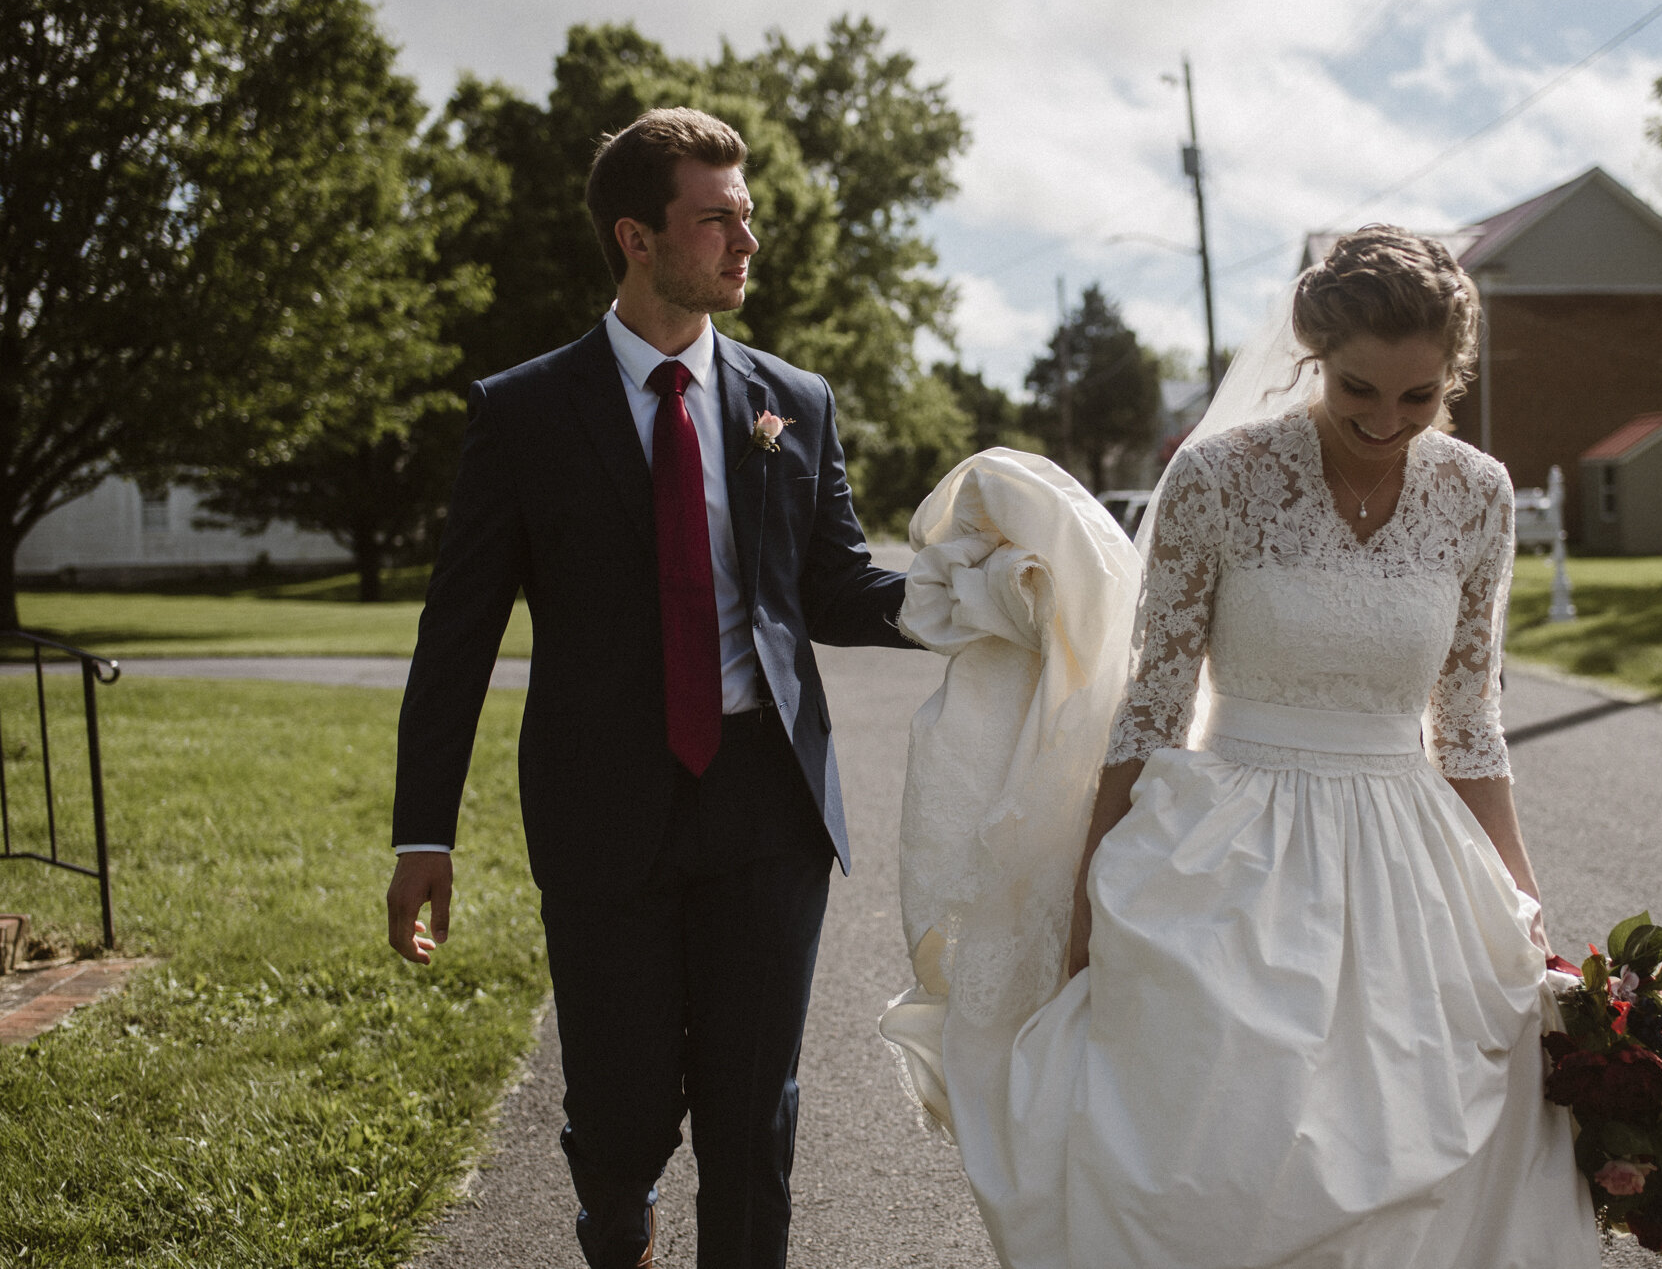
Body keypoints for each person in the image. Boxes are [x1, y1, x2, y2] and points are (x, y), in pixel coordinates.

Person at [884, 226, 1599, 1267]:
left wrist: (1529, 921)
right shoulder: (1218, 477)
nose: (1385, 422)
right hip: (1232, 846)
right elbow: (1151, 708)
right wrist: (1088, 905)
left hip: (1411, 861)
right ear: (1312, 351)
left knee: (1441, 1139)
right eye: (1358, 388)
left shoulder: (1477, 495)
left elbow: (1469, 725)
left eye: (1418, 398)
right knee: (1222, 1151)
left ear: (1452, 378)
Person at [385, 107, 912, 1269]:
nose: (746, 241)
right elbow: (456, 634)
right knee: (624, 1107)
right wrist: (422, 830)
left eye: (748, 214)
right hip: (601, 808)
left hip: (768, 802)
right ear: (636, 236)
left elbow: (832, 587)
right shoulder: (521, 413)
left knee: (752, 1108)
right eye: (716, 217)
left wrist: (968, 603)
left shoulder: (795, 401)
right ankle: (614, 1211)